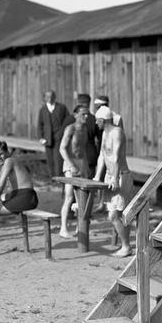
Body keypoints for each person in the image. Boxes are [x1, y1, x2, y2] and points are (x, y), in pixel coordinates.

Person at [93, 106, 135, 257]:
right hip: (110, 176)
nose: (96, 123)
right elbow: (102, 156)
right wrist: (98, 176)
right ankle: (126, 245)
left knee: (116, 214)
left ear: (103, 120)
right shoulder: (105, 133)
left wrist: (116, 178)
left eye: (97, 121)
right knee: (114, 213)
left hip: (121, 175)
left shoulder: (117, 132)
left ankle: (126, 246)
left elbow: (116, 157)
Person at [59, 105, 91, 238]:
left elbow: (82, 148)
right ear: (75, 115)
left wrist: (86, 165)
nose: (86, 117)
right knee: (69, 196)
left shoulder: (85, 128)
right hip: (69, 163)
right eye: (83, 114)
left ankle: (80, 228)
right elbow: (62, 149)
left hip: (81, 163)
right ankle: (63, 228)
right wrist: (71, 165)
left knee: (82, 198)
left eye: (87, 114)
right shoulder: (70, 128)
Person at [37, 90, 71, 179]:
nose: (49, 98)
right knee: (50, 159)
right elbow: (40, 124)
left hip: (59, 137)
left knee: (58, 158)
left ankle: (59, 177)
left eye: (51, 96)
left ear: (54, 97)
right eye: (47, 97)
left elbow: (68, 120)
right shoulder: (43, 109)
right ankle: (52, 178)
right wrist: (41, 137)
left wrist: (63, 132)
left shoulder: (61, 107)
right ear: (44, 98)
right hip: (47, 138)